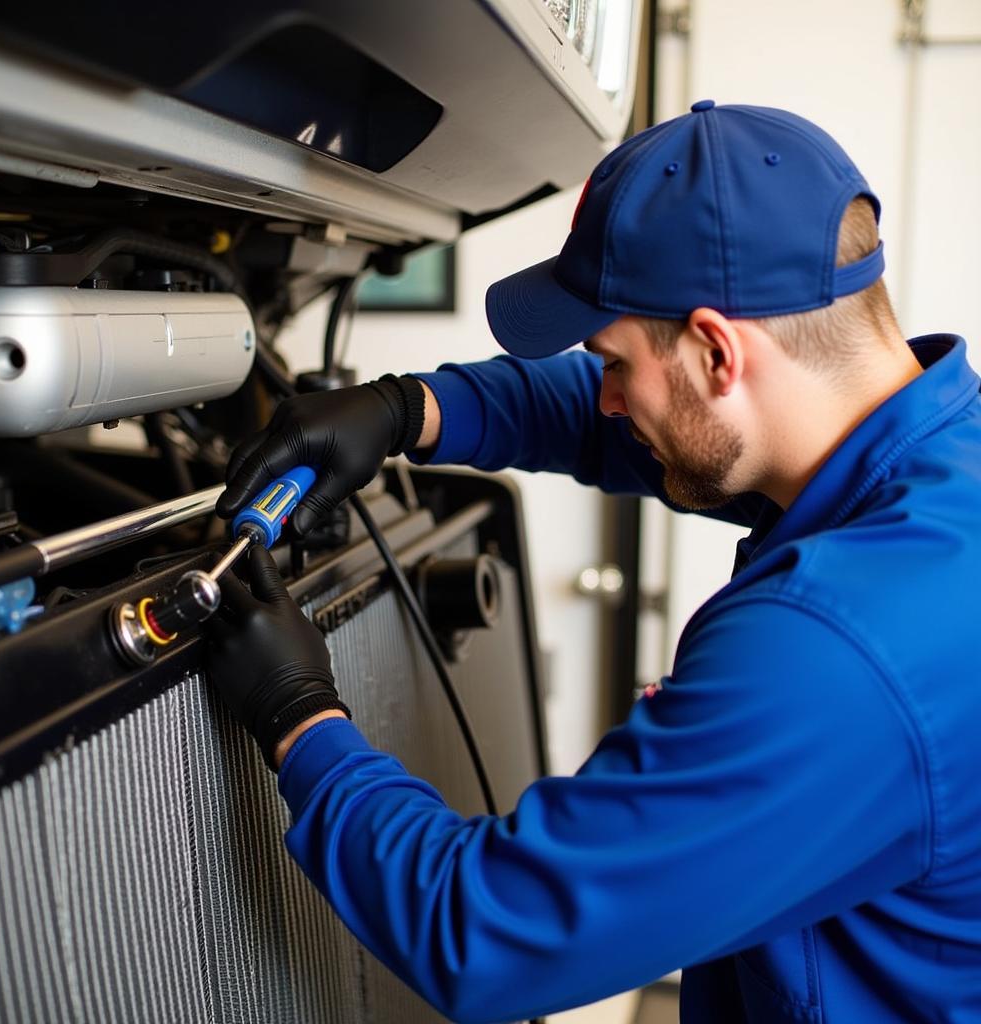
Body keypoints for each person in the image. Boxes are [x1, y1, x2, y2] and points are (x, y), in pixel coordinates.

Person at [206, 101, 981, 1022]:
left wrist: (300, 718)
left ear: (718, 351)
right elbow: (607, 418)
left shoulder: (838, 650)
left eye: (614, 358)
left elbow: (485, 933)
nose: (607, 396)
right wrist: (405, 409)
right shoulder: (927, 462)